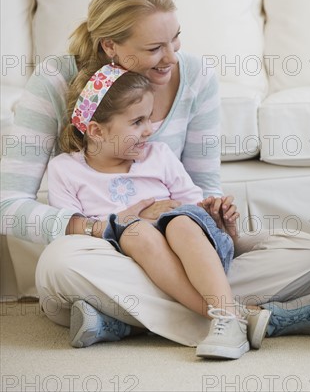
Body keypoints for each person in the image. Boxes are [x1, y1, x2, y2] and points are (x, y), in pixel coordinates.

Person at [1, 0, 310, 349]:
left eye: (175, 39)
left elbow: (201, 188)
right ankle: (247, 315)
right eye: (154, 48)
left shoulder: (197, 77)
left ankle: (124, 319)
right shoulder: (56, 79)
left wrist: (215, 215)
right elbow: (8, 207)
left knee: (306, 254)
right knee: (60, 265)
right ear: (111, 46)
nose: (171, 57)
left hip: (182, 248)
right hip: (109, 253)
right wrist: (104, 227)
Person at [49, 64, 275, 359]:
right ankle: (232, 313)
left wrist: (219, 220)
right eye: (137, 121)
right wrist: (128, 220)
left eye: (150, 118)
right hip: (125, 266)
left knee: (180, 223)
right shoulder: (66, 170)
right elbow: (71, 236)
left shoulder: (160, 157)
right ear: (96, 130)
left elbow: (194, 209)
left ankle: (131, 321)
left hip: (189, 253)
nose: (150, 129)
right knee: (130, 234)